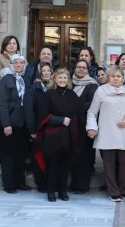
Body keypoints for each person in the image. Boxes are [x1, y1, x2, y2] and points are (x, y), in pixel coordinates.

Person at [87, 66, 125, 202]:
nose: (116, 79)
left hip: (124, 133)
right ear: (108, 77)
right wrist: (92, 127)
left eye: (118, 76)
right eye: (113, 76)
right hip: (107, 133)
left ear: (123, 78)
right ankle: (113, 191)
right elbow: (92, 112)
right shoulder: (101, 90)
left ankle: (124, 189)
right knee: (109, 164)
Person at [35, 68, 83, 202]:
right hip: (52, 137)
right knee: (52, 165)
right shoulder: (48, 95)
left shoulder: (72, 95)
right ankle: (51, 192)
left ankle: (63, 191)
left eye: (65, 78)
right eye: (60, 77)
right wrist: (61, 120)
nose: (62, 80)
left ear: (68, 80)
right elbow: (43, 115)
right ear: (54, 79)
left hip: (68, 136)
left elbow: (77, 113)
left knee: (65, 165)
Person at [0, 54, 31, 193]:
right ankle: (9, 184)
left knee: (20, 155)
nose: (19, 65)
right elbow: (2, 103)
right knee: (8, 156)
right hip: (9, 124)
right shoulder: (6, 80)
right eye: (16, 62)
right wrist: (6, 123)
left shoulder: (25, 79)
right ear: (11, 64)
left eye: (22, 62)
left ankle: (19, 182)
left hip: (22, 124)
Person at [70, 60, 99, 194]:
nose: (81, 69)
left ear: (88, 70)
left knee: (84, 156)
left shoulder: (92, 85)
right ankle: (74, 183)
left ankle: (83, 185)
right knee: (74, 155)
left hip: (85, 125)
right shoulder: (70, 83)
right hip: (71, 125)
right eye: (78, 67)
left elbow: (91, 105)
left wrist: (74, 106)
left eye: (83, 67)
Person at [22, 62, 52, 192]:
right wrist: (32, 130)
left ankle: (49, 181)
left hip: (50, 130)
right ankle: (41, 184)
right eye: (43, 70)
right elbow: (29, 111)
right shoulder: (33, 88)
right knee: (38, 157)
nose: (46, 72)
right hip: (37, 129)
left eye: (48, 70)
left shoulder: (53, 88)